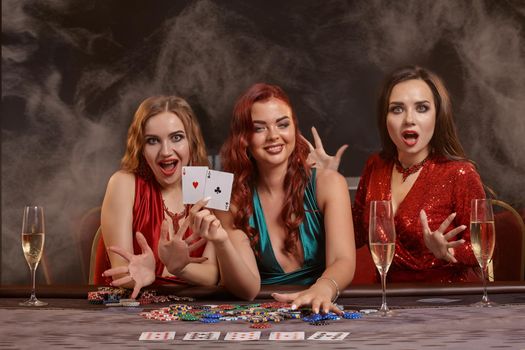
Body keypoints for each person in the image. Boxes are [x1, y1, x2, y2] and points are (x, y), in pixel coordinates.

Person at [189, 83, 356, 314]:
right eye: (259, 128)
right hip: (261, 313)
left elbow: (343, 260)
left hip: (320, 307)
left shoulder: (329, 184)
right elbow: (247, 289)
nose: (274, 136)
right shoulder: (231, 197)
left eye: (282, 124)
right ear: (244, 138)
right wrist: (222, 242)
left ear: (294, 129)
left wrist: (323, 288)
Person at [351, 66, 485, 283]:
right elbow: (354, 236)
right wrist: (327, 183)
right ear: (385, 119)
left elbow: (484, 250)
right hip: (385, 302)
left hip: (442, 305)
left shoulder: (459, 173)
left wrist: (446, 251)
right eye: (397, 109)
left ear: (438, 115)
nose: (409, 119)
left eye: (422, 108)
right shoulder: (375, 165)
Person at [96, 96, 219, 297]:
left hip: (190, 312)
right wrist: (145, 272)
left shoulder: (208, 187)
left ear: (192, 142)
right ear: (141, 148)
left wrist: (175, 268)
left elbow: (211, 274)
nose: (166, 151)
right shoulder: (123, 183)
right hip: (128, 312)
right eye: (152, 141)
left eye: (177, 137)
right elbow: (123, 273)